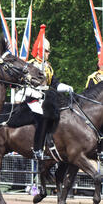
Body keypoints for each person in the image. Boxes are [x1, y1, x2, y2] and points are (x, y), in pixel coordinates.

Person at [21, 25, 74, 160]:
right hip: (32, 99)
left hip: (46, 99)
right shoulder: (31, 65)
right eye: (46, 51)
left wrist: (67, 87)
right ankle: (38, 148)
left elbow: (54, 84)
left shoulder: (48, 67)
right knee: (43, 116)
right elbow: (25, 84)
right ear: (40, 50)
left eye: (48, 51)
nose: (48, 53)